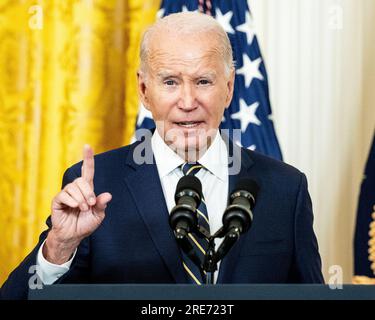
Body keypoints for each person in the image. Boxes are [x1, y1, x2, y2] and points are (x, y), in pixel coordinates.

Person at [1, 12, 324, 300]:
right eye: (170, 82)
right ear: (144, 90)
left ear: (228, 88)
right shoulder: (95, 184)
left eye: (203, 81)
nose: (187, 101)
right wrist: (60, 246)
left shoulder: (285, 187)